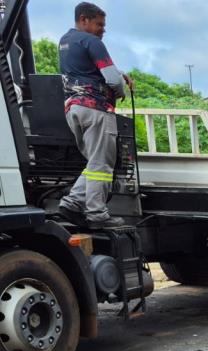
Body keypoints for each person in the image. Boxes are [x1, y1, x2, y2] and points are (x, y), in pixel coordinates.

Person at [58, 2, 131, 228]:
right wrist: (122, 89)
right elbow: (112, 79)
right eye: (99, 24)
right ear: (84, 20)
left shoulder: (66, 41)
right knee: (102, 165)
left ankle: (71, 204)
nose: (103, 30)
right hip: (95, 109)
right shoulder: (92, 42)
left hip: (74, 108)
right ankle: (97, 214)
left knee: (95, 162)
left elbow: (84, 70)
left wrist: (119, 75)